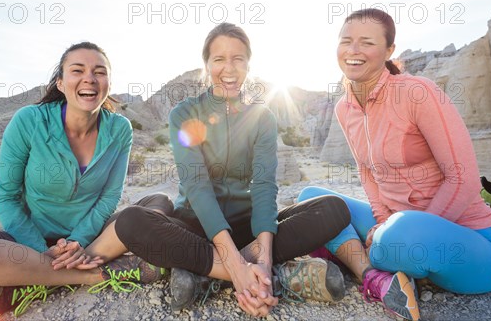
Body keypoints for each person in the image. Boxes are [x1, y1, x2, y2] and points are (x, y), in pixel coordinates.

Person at [109, 23, 352, 317]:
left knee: (334, 208)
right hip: (195, 227)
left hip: (246, 226)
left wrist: (260, 258)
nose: (229, 68)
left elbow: (264, 185)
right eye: (219, 59)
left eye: (238, 59)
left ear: (249, 64)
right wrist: (237, 267)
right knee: (131, 221)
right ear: (206, 65)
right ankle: (255, 275)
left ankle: (208, 275)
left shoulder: (262, 117)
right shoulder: (184, 114)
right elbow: (196, 185)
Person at [0, 42, 169, 319]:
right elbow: (5, 196)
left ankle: (28, 278)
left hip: (91, 237)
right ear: (61, 82)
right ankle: (91, 274)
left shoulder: (119, 128)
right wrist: (42, 251)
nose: (89, 78)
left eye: (99, 72)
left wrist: (78, 240)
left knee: (159, 203)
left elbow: (109, 196)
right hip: (29, 240)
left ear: (109, 83)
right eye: (77, 70)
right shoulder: (29, 121)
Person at [298, 8, 491, 321]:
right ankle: (374, 276)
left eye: (367, 42)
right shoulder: (345, 107)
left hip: (476, 246)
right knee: (311, 200)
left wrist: (393, 228)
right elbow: (367, 171)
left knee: (398, 237)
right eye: (347, 41)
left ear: (388, 51)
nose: (354, 50)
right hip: (396, 226)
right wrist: (382, 219)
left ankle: (360, 252)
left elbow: (462, 178)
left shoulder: (418, 93)